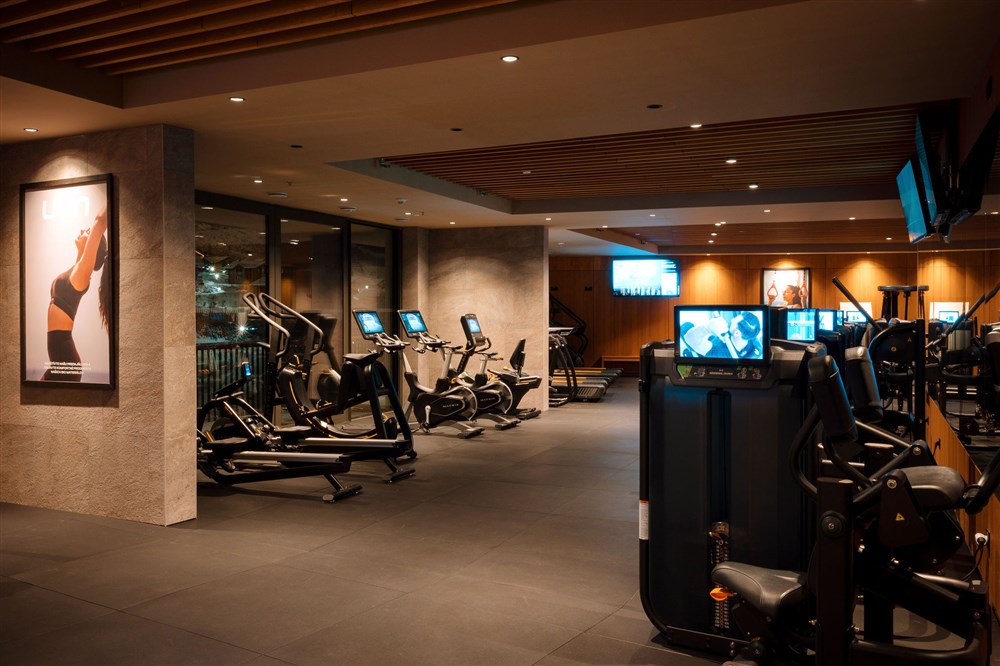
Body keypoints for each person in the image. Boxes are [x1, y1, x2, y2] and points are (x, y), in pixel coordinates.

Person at [43, 207, 110, 381]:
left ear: (92, 247)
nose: (82, 230)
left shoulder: (82, 274)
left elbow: (100, 221)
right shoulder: (76, 271)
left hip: (65, 360)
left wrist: (112, 199)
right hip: (61, 360)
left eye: (87, 231)